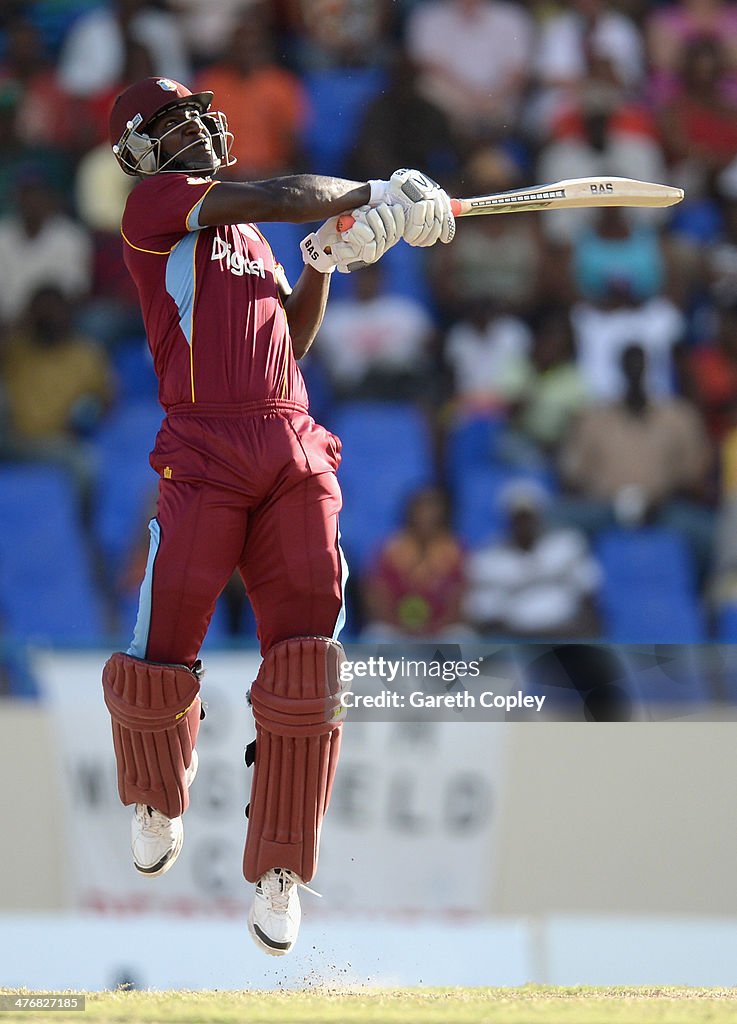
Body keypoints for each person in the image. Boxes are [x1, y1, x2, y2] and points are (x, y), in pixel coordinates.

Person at [101, 75, 454, 957]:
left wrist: (319, 266)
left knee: (307, 663)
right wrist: (372, 193)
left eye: (197, 118)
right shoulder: (159, 209)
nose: (197, 132)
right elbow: (285, 192)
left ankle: (280, 869)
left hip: (292, 444)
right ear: (144, 152)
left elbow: (286, 342)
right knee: (165, 644)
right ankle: (155, 792)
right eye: (174, 124)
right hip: (205, 449)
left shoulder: (250, 233)